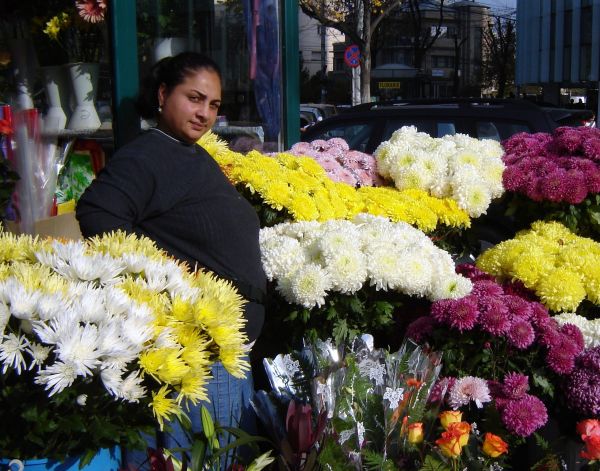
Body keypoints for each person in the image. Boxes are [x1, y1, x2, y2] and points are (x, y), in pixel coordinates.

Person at [76, 52, 266, 467]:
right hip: (195, 358)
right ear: (163, 95)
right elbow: (97, 213)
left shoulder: (186, 151)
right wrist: (168, 273)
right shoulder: (148, 154)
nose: (204, 114)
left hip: (220, 354)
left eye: (213, 105)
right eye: (194, 98)